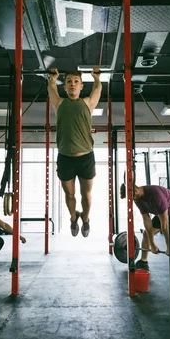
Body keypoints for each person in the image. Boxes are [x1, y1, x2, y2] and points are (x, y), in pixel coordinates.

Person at [48, 68, 102, 237]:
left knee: (85, 194)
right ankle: (73, 218)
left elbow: (97, 90)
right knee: (69, 193)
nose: (72, 84)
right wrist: (52, 79)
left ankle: (85, 219)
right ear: (64, 87)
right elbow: (51, 89)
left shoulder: (87, 103)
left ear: (81, 86)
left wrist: (97, 78)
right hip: (65, 158)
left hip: (86, 157)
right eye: (69, 82)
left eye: (76, 81)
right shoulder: (59, 103)